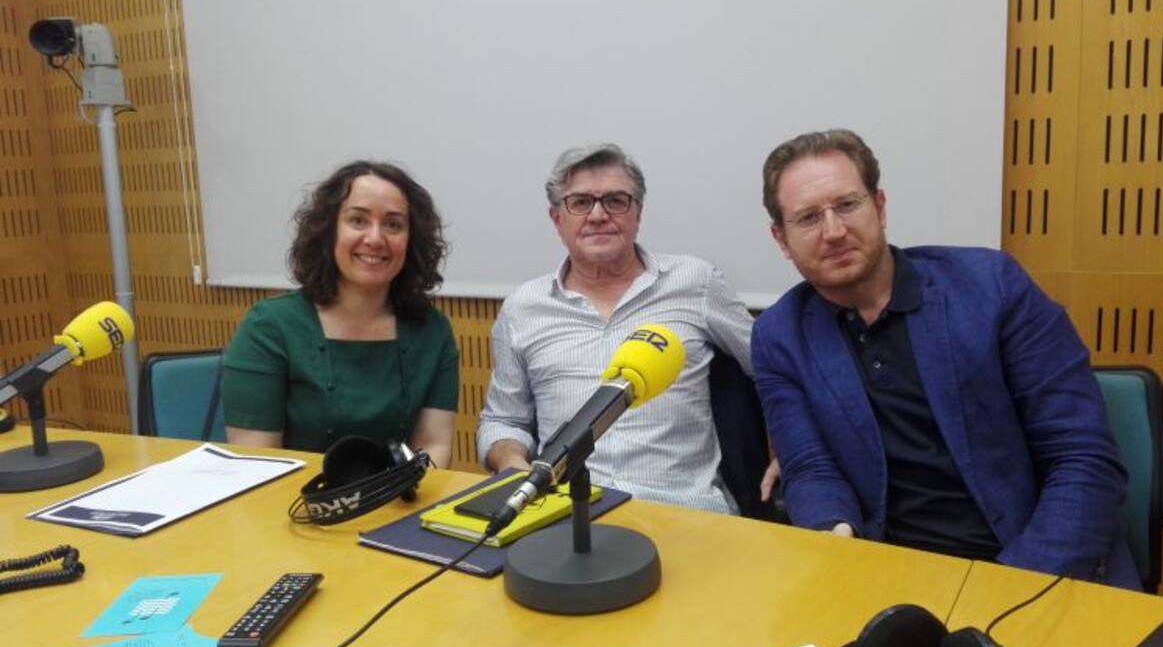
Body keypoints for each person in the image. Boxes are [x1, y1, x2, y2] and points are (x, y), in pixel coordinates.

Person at [752, 128, 1139, 588]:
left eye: (848, 205)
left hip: (1030, 564)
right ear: (781, 238)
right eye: (809, 217)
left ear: (879, 206)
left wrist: (1011, 588)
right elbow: (810, 466)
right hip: (887, 575)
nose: (834, 231)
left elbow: (1082, 457)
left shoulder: (993, 288)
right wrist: (834, 535)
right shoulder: (780, 334)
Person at [476, 143, 774, 514]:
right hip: (567, 516)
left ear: (638, 213)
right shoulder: (523, 308)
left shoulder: (696, 283)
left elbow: (773, 372)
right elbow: (502, 419)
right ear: (557, 219)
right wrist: (512, 463)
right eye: (580, 202)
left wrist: (789, 450)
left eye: (615, 200)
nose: (598, 214)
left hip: (685, 512)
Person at [222, 161, 458, 468]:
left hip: (399, 504)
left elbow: (434, 446)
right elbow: (257, 462)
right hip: (292, 507)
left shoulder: (432, 330)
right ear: (328, 231)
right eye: (358, 220)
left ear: (411, 240)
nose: (375, 238)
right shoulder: (269, 328)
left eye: (393, 224)